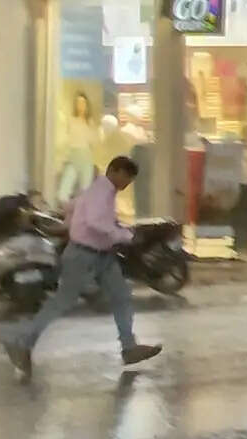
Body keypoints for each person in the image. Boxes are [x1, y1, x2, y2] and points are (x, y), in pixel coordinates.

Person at [10, 152, 161, 376]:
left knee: (121, 297)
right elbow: (95, 222)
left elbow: (76, 209)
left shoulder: (101, 191)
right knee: (62, 301)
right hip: (83, 255)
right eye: (126, 178)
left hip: (102, 255)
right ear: (115, 171)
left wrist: (113, 228)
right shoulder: (101, 192)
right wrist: (124, 236)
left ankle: (129, 347)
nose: (127, 184)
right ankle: (23, 344)